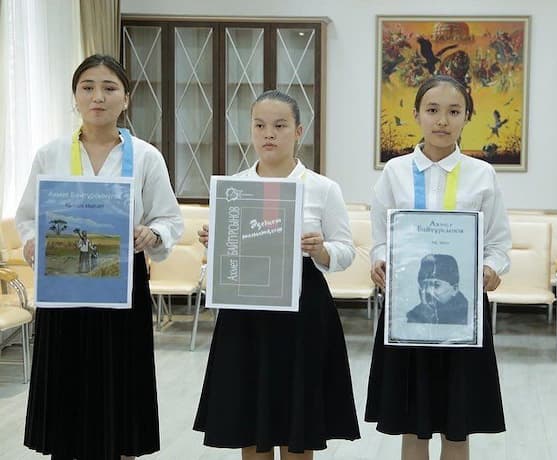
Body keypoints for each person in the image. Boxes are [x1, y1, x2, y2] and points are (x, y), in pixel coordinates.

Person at [17, 54, 183, 460]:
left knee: (121, 387)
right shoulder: (51, 154)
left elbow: (169, 218)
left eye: (109, 88)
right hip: (64, 288)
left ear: (126, 98)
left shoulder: (145, 156)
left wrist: (153, 233)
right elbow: (28, 217)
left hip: (123, 288)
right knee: (66, 387)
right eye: (87, 87)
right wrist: (31, 241)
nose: (98, 97)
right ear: (74, 96)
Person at [193, 90, 360, 460]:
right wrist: (214, 244)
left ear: (298, 131)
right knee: (249, 418)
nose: (269, 134)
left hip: (302, 311)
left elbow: (347, 251)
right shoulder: (233, 188)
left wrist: (321, 250)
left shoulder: (322, 188)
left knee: (297, 418)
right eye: (260, 125)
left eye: (280, 126)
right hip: (245, 313)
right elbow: (222, 261)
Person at [366, 75, 511, 460]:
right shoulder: (395, 172)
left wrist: (491, 268)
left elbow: (498, 244)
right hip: (406, 315)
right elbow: (379, 238)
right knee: (412, 427)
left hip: (463, 319)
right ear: (417, 114)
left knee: (456, 428)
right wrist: (379, 261)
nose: (442, 120)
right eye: (432, 110)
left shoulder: (482, 174)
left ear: (467, 117)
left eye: (453, 111)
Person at [407, 253, 468, 325]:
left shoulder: (467, 314)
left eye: (436, 285)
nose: (427, 291)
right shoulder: (414, 317)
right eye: (424, 285)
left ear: (455, 289)